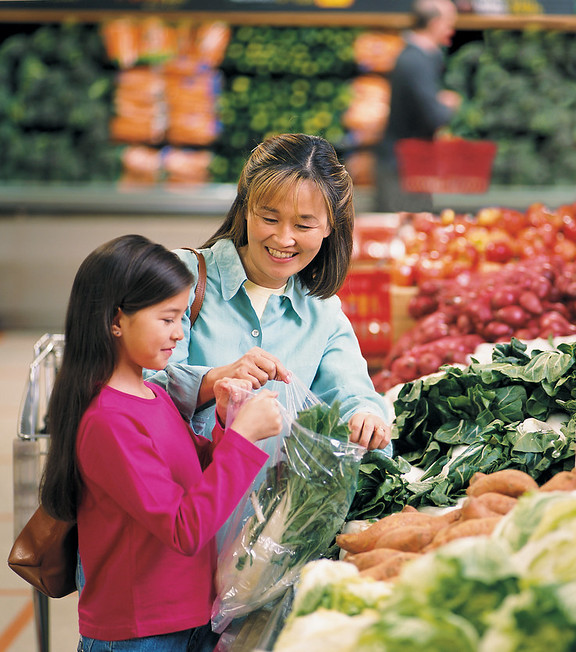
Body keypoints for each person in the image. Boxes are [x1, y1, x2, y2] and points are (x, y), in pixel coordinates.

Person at [39, 234, 284, 651]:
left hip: (188, 618)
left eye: (182, 319)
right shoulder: (107, 421)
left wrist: (226, 421)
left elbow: (191, 469)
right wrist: (243, 439)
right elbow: (183, 527)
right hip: (141, 634)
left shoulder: (151, 395)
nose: (178, 334)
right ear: (116, 320)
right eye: (167, 319)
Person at [147, 133, 392, 452]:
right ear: (246, 208)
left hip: (276, 503)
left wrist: (366, 417)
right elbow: (141, 393)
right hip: (185, 499)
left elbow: (351, 392)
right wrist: (215, 380)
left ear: (330, 226)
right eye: (269, 218)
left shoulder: (323, 313)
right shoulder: (181, 276)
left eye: (304, 226)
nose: (283, 238)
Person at [374, 0, 462, 213]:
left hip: (406, 165)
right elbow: (434, 116)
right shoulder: (416, 61)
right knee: (407, 233)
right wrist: (449, 104)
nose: (451, 30)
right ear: (434, 23)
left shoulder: (416, 57)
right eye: (449, 23)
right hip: (402, 170)